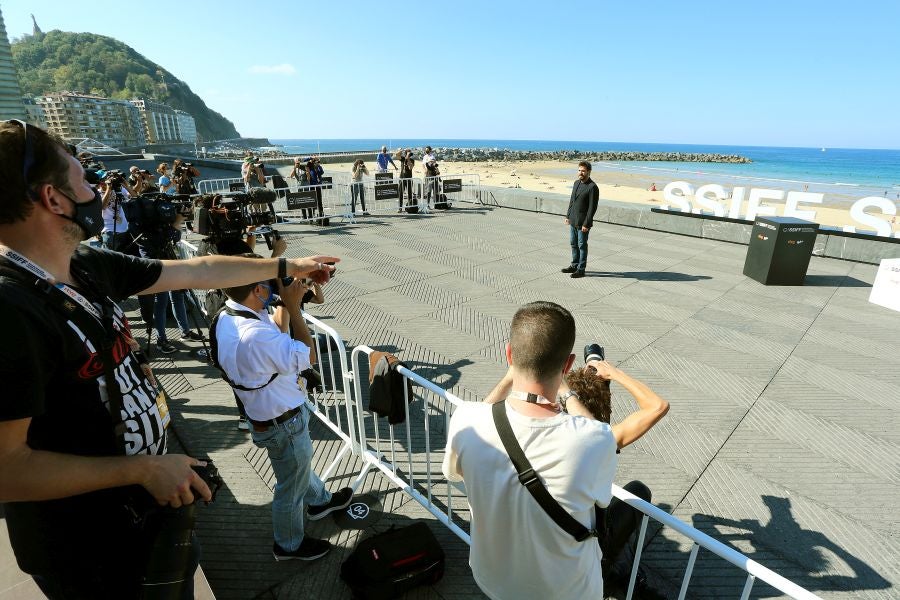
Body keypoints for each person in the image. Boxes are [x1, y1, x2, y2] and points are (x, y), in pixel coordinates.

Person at [0, 120, 339, 597]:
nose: (96, 189)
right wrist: (140, 470)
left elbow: (198, 269)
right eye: (83, 179)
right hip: (86, 547)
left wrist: (285, 266)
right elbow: (6, 469)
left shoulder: (86, 265)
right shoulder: (11, 309)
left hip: (149, 516)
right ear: (53, 198)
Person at [442, 301, 668, 600]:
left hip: (493, 579)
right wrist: (586, 385)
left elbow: (479, 420)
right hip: (566, 591)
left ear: (509, 354)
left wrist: (512, 376)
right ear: (567, 364)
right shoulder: (593, 440)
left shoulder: (466, 420)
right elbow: (608, 427)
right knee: (636, 492)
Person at [214, 256, 353, 561]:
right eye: (267, 282)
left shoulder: (231, 315)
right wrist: (293, 306)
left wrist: (287, 299)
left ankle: (321, 501)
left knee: (297, 466)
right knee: (290, 485)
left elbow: (276, 331)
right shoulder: (255, 336)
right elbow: (307, 354)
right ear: (257, 291)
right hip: (282, 421)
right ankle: (288, 545)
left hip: (267, 414)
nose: (273, 285)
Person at [562, 161, 599, 278]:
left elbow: (592, 208)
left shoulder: (592, 187)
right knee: (573, 244)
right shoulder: (576, 183)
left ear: (588, 172)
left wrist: (586, 224)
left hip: (583, 223)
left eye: (583, 171)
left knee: (582, 245)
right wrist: (568, 216)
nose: (580, 173)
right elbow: (572, 201)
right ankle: (574, 265)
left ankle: (581, 269)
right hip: (573, 220)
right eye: (579, 170)